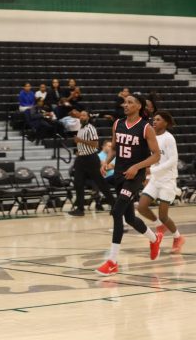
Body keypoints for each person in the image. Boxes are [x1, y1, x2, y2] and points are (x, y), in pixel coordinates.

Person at [96, 94, 162, 276]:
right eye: (125, 102)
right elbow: (115, 148)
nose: (125, 105)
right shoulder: (118, 123)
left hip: (135, 176)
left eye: (130, 102)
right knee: (130, 218)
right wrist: (106, 162)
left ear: (139, 106)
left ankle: (112, 261)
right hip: (119, 173)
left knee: (117, 212)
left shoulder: (146, 127)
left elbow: (156, 155)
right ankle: (154, 238)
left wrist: (137, 167)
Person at [137, 111, 185, 253]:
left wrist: (154, 171)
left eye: (158, 119)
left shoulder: (169, 138)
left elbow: (173, 160)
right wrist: (148, 173)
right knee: (141, 207)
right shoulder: (152, 137)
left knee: (163, 215)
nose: (154, 121)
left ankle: (178, 237)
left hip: (167, 180)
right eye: (154, 119)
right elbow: (151, 158)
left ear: (165, 123)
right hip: (155, 179)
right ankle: (159, 225)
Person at [68, 111, 116, 217]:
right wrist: (79, 149)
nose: (82, 117)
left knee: (100, 183)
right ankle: (80, 209)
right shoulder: (80, 128)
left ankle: (114, 205)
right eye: (81, 115)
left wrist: (80, 140)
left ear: (88, 117)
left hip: (91, 158)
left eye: (84, 115)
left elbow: (95, 144)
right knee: (78, 183)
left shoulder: (91, 128)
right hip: (81, 159)